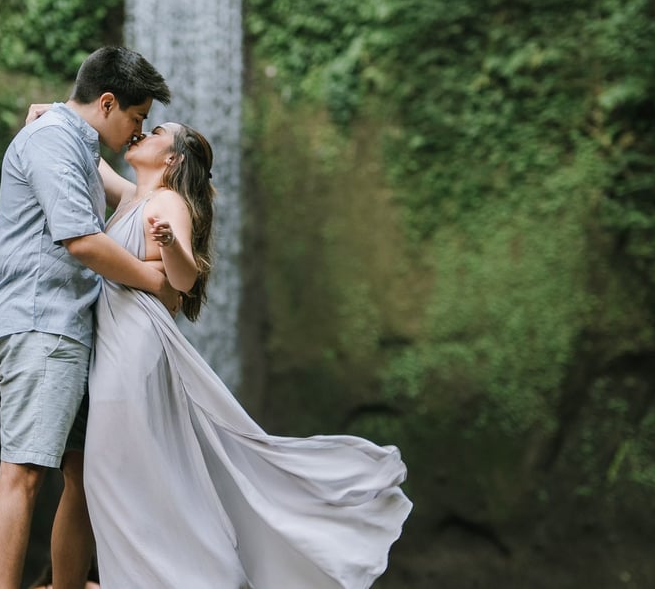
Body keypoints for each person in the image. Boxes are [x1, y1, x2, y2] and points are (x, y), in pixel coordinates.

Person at [84, 121, 413, 588]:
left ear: (173, 159)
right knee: (122, 473)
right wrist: (60, 118)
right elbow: (91, 162)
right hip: (117, 343)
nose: (143, 133)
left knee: (111, 469)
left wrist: (170, 245)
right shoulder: (133, 197)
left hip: (134, 346)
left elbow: (184, 279)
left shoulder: (168, 202)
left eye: (155, 131)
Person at [0, 46, 176, 589]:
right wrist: (155, 281)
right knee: (23, 472)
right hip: (43, 324)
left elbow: (133, 201)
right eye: (137, 117)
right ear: (108, 102)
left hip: (73, 329)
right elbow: (82, 241)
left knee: (85, 474)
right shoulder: (53, 140)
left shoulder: (75, 142)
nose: (139, 132)